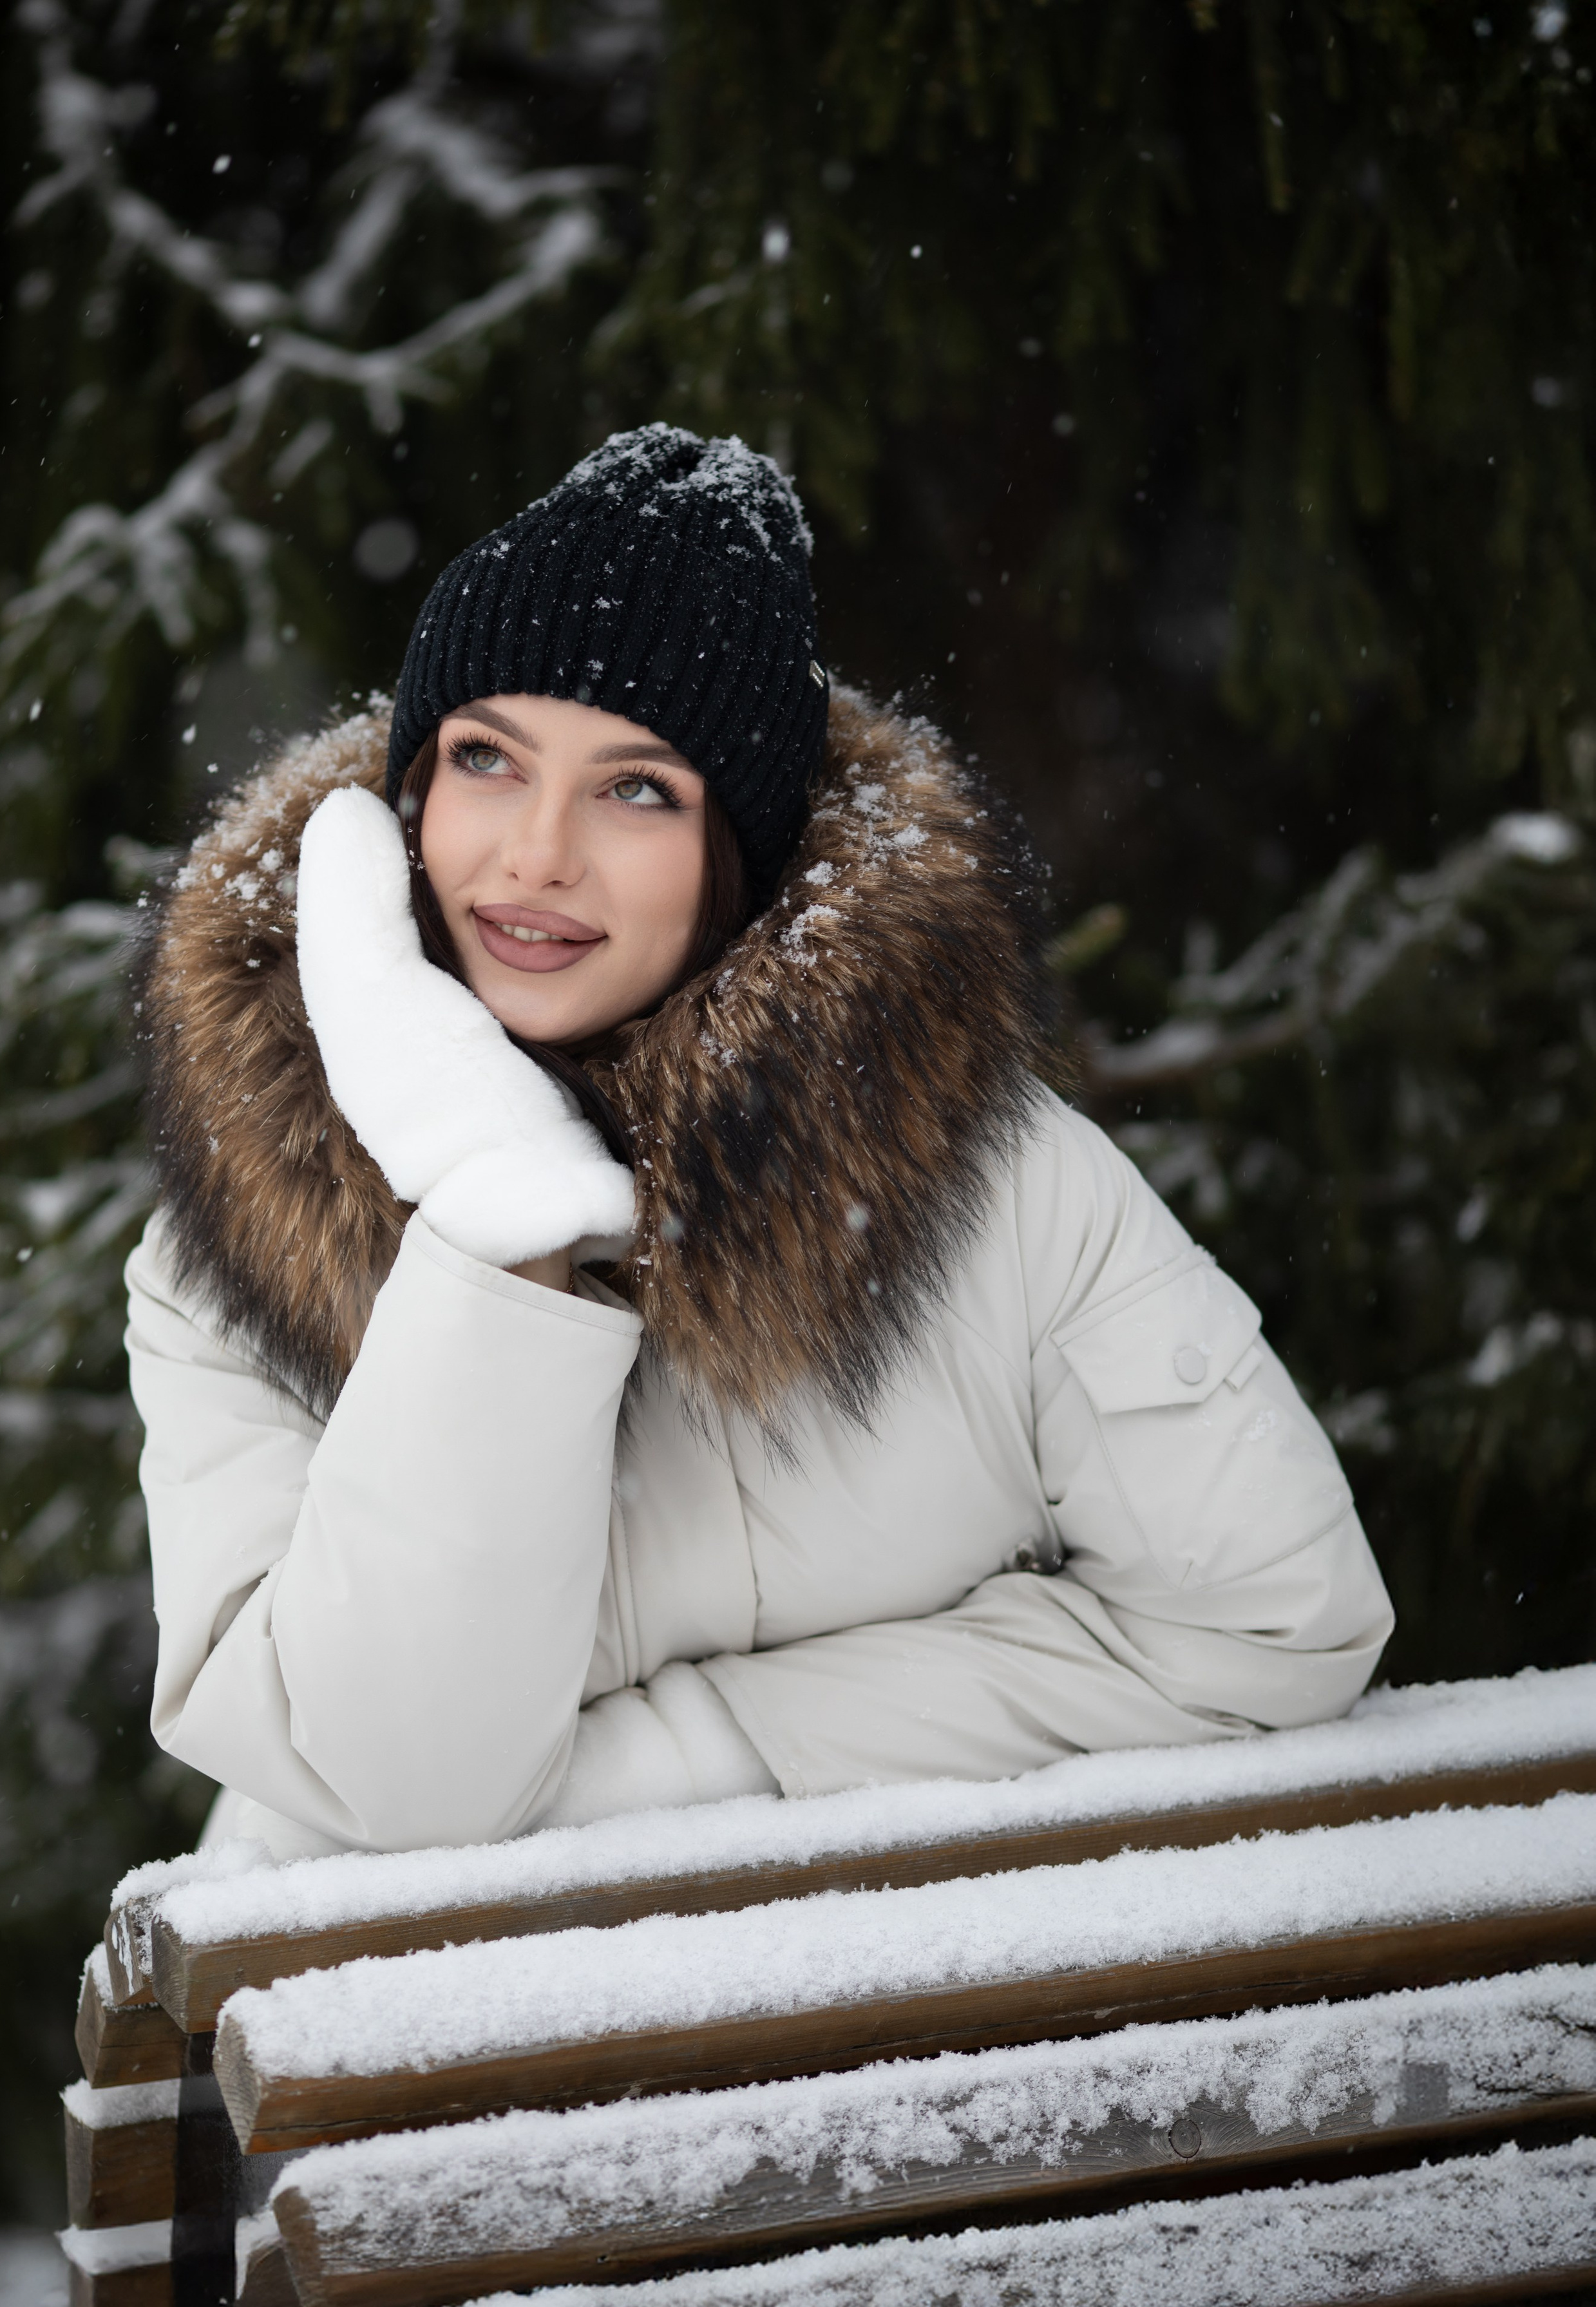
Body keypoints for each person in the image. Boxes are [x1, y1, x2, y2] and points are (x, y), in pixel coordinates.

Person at [126, 424, 1392, 1862]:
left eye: (637, 787)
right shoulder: (233, 1256)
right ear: (406, 804)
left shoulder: (1004, 1190)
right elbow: (394, 1787)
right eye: (486, 759)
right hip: (419, 2073)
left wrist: (693, 1758)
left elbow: (1271, 1626)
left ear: (745, 850)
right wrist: (497, 1224)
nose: (536, 853)